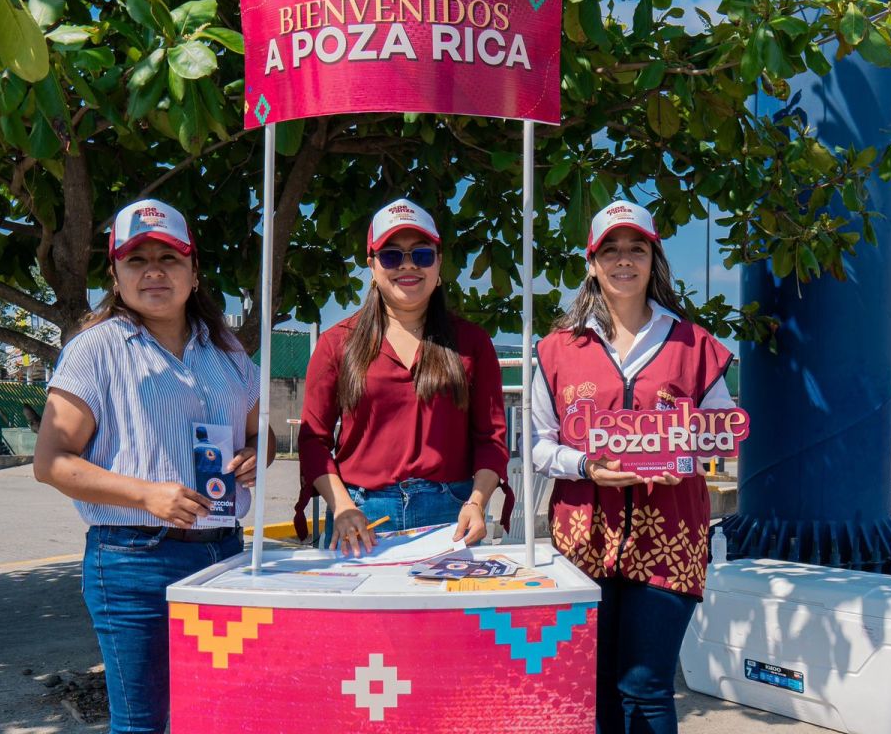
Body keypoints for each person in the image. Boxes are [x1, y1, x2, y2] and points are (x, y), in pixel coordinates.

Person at [33, 198, 269, 734]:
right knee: (142, 723)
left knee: (218, 717)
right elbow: (50, 462)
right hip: (132, 562)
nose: (154, 271)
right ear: (115, 274)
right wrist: (146, 495)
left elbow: (263, 430)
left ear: (193, 271)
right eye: (137, 260)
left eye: (169, 257)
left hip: (223, 554)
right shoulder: (94, 351)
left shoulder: (227, 351)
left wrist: (259, 452)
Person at [531, 200, 735, 734]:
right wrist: (586, 465)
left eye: (636, 249)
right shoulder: (557, 349)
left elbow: (721, 432)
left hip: (669, 536)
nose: (625, 261)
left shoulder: (694, 345)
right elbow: (536, 443)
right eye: (611, 250)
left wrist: (680, 456)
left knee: (645, 688)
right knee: (591, 686)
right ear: (592, 262)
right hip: (582, 540)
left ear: (654, 259)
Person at [295, 199, 511, 554]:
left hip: (451, 513)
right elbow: (313, 440)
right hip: (360, 517)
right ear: (372, 265)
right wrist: (342, 507)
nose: (407, 265)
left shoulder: (472, 343)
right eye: (392, 255)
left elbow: (492, 439)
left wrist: (476, 503)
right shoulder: (337, 343)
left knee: (445, 612)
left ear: (439, 263)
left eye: (422, 255)